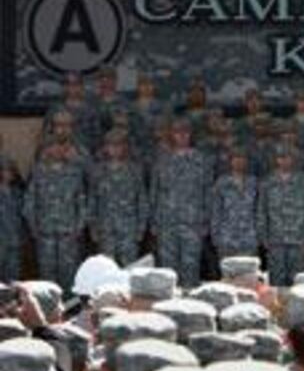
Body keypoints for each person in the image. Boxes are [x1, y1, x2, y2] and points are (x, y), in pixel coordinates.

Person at [150, 118, 211, 287]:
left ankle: (190, 307)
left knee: (191, 267)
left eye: (186, 132)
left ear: (191, 135)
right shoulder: (162, 160)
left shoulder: (201, 160)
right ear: (172, 135)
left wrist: (206, 221)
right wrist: (154, 221)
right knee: (168, 270)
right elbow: (154, 192)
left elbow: (207, 192)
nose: (182, 136)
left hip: (193, 222)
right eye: (177, 132)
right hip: (166, 222)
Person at [24, 141, 88, 291]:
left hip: (69, 232)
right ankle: (49, 308)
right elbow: (29, 203)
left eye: (61, 146)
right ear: (46, 149)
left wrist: (79, 227)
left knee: (69, 273)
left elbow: (82, 202)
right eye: (52, 145)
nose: (57, 150)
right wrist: (34, 228)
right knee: (47, 273)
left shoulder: (74, 172)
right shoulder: (38, 172)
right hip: (45, 232)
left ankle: (70, 308)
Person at [256, 144, 304, 287]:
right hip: (275, 240)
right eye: (281, 158)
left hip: (299, 239)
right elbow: (261, 211)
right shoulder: (267, 182)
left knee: (299, 280)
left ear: (293, 159)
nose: (284, 161)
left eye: (288, 157)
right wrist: (263, 236)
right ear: (276, 160)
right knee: (276, 280)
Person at [89, 130, 149, 267]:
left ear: (125, 147)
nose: (115, 149)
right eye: (111, 145)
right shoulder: (98, 172)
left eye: (119, 145)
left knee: (129, 269)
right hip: (105, 229)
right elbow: (92, 200)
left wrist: (140, 228)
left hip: (129, 229)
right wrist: (93, 227)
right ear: (105, 147)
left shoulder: (135, 171)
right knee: (107, 270)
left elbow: (142, 201)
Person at [210, 148, 259, 259]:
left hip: (249, 237)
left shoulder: (254, 183)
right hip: (226, 237)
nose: (239, 161)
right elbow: (215, 211)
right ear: (230, 161)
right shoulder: (221, 183)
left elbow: (259, 211)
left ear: (247, 161)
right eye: (235, 158)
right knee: (228, 274)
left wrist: (259, 235)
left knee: (249, 274)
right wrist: (216, 236)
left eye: (242, 158)